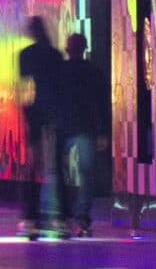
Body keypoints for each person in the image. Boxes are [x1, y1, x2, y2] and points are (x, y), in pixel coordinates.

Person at [15, 16, 62, 237]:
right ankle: (59, 217)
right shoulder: (55, 55)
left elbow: (25, 87)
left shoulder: (25, 55)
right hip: (54, 114)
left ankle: (31, 217)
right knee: (55, 167)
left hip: (34, 113)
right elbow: (60, 88)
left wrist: (26, 114)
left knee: (33, 168)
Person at [54, 31, 104, 238]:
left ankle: (63, 217)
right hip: (86, 128)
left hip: (64, 127)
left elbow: (53, 98)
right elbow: (100, 104)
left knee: (60, 174)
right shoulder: (93, 71)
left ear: (68, 49)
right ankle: (82, 217)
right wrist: (102, 132)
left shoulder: (60, 71)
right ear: (85, 49)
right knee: (86, 173)